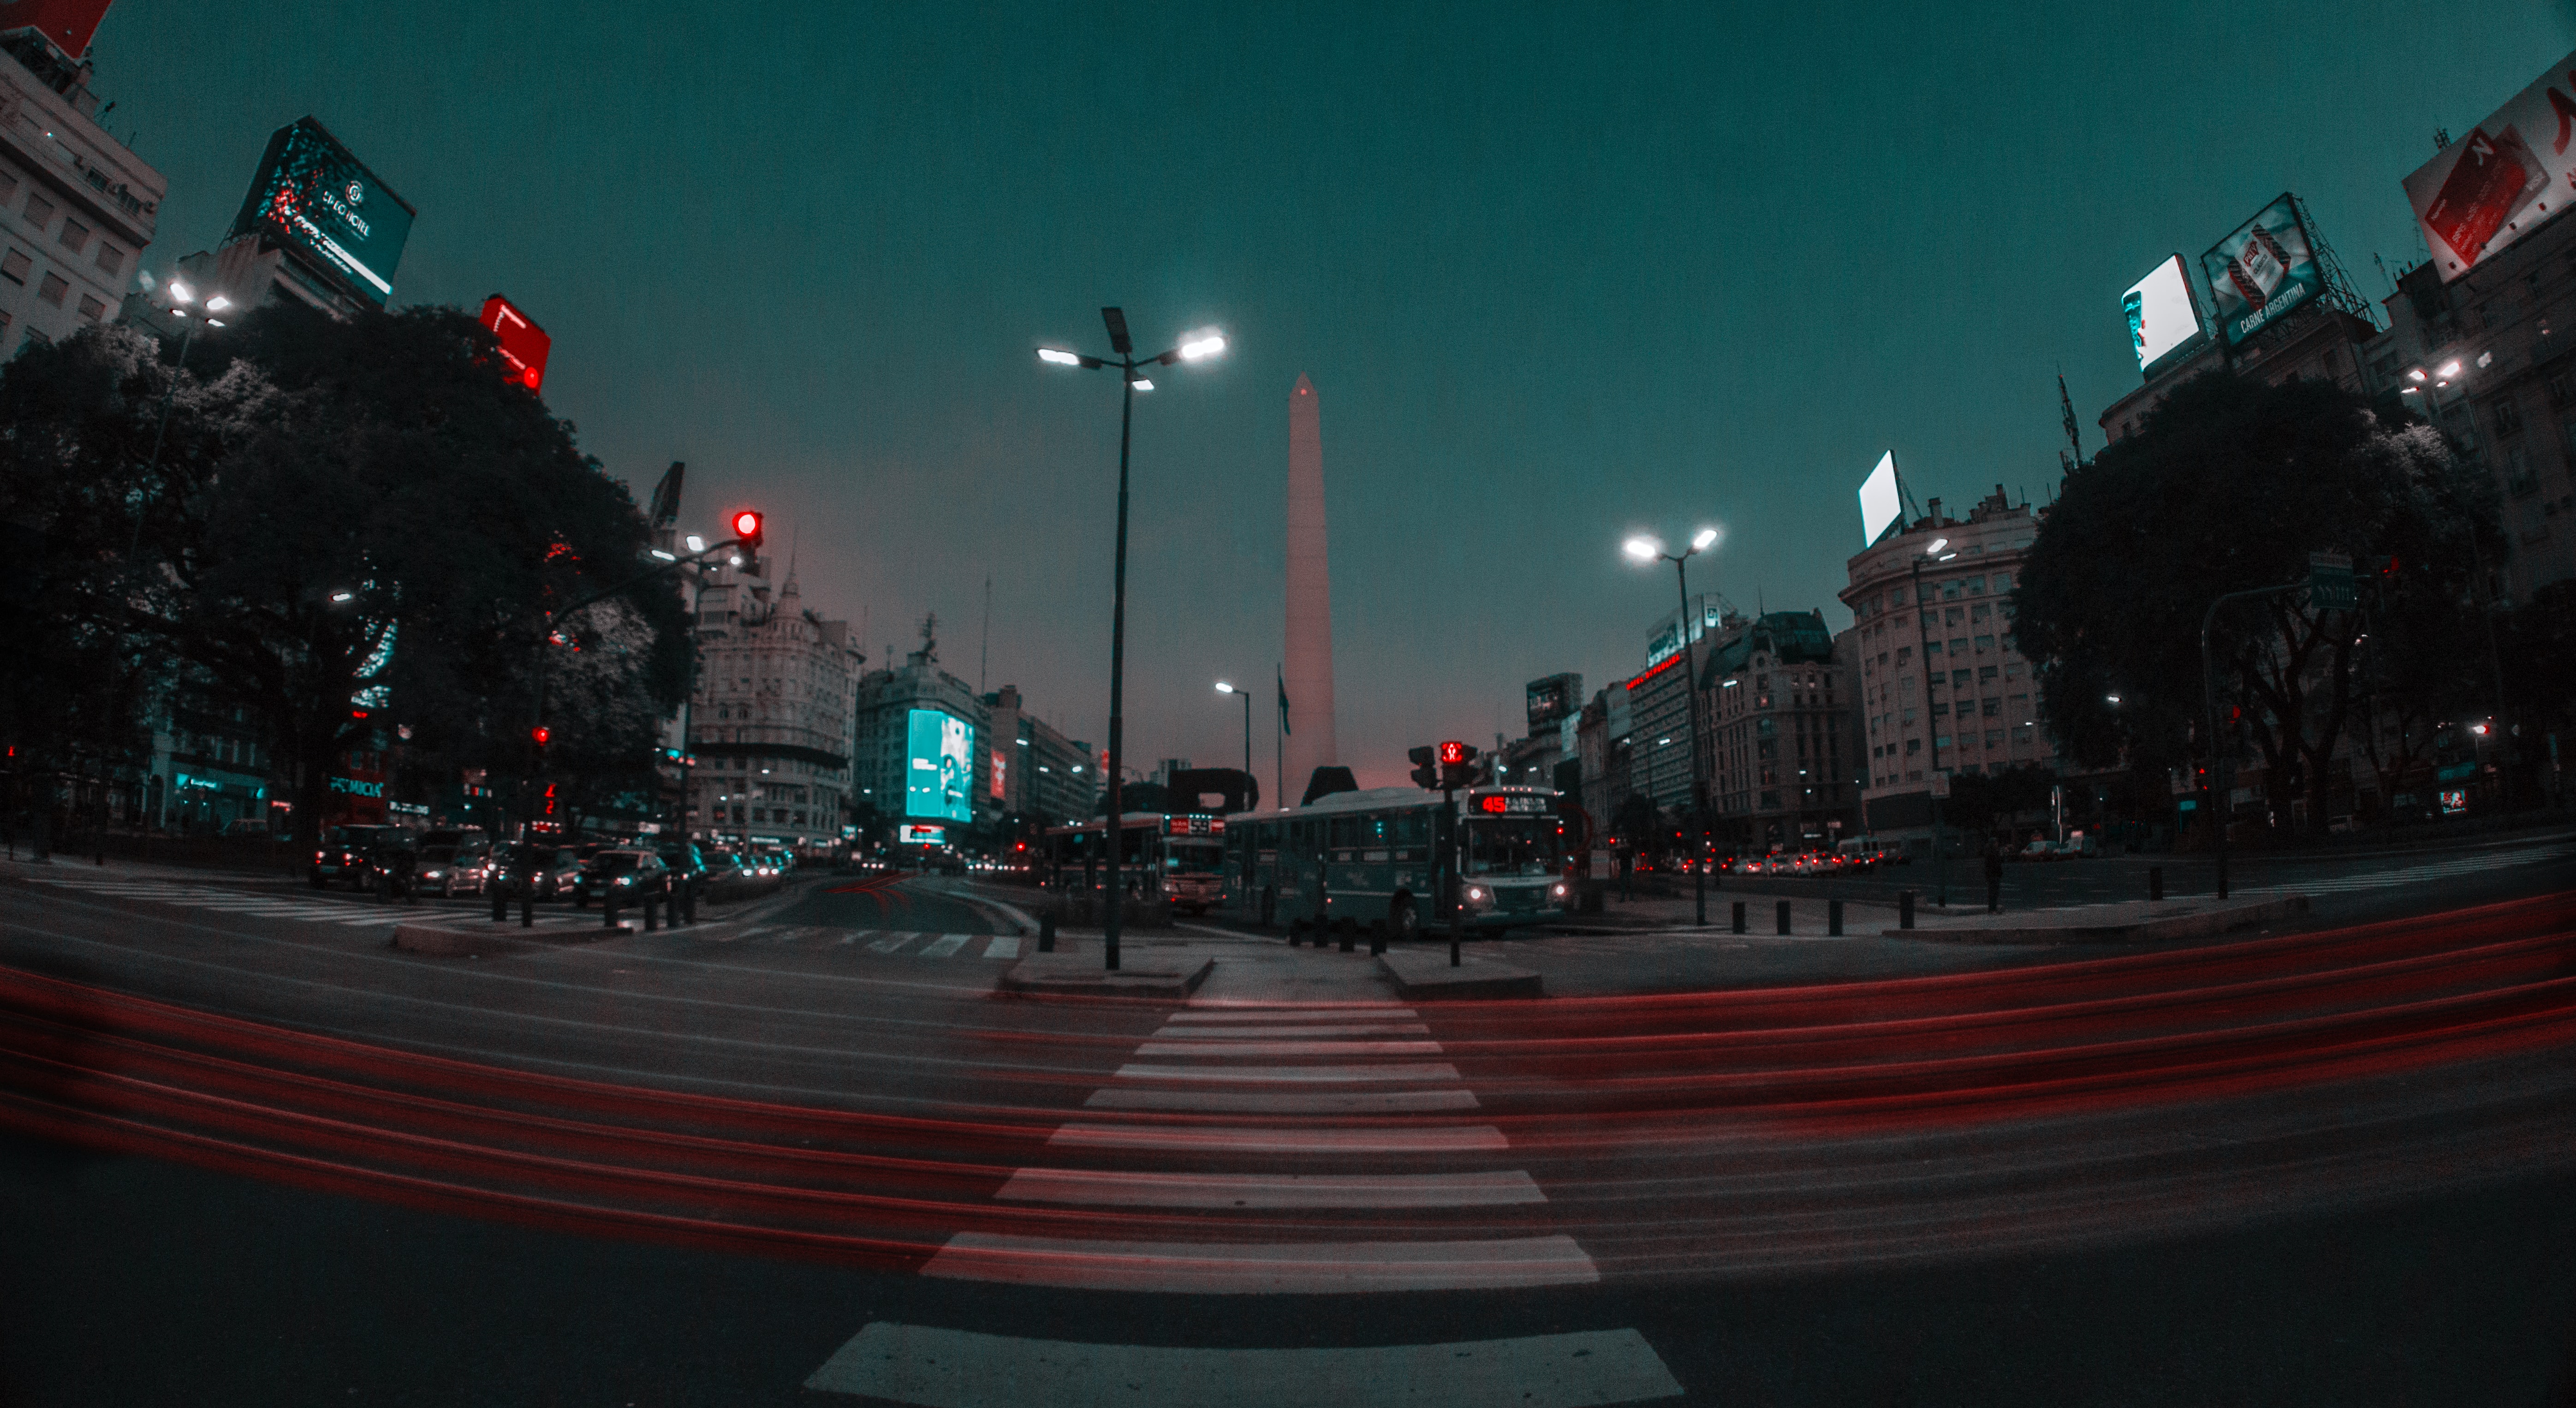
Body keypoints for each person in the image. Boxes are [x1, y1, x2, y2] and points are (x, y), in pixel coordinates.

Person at [1982, 840, 2005, 914]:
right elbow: (1997, 864)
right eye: (1996, 843)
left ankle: (1992, 909)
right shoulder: (1993, 854)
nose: (1997, 844)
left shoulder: (1991, 853)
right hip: (1994, 875)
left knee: (1993, 893)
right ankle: (1992, 909)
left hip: (1993, 875)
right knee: (1993, 893)